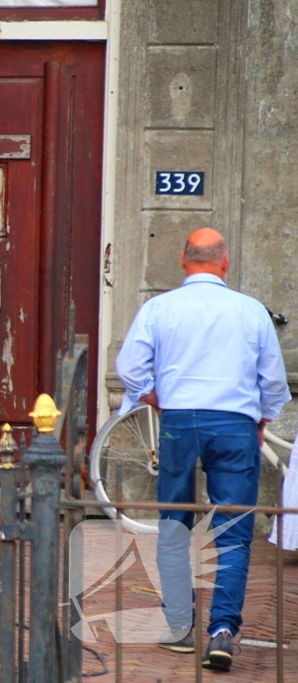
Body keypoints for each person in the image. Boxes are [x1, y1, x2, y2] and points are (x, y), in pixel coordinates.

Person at [116, 227, 290, 672]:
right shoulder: (250, 310)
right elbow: (273, 379)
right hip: (233, 423)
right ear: (225, 262)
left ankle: (179, 628)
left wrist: (152, 395)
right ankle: (223, 630)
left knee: (174, 520)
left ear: (183, 260)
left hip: (178, 420)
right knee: (233, 530)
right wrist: (262, 417)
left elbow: (130, 367)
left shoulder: (159, 308)